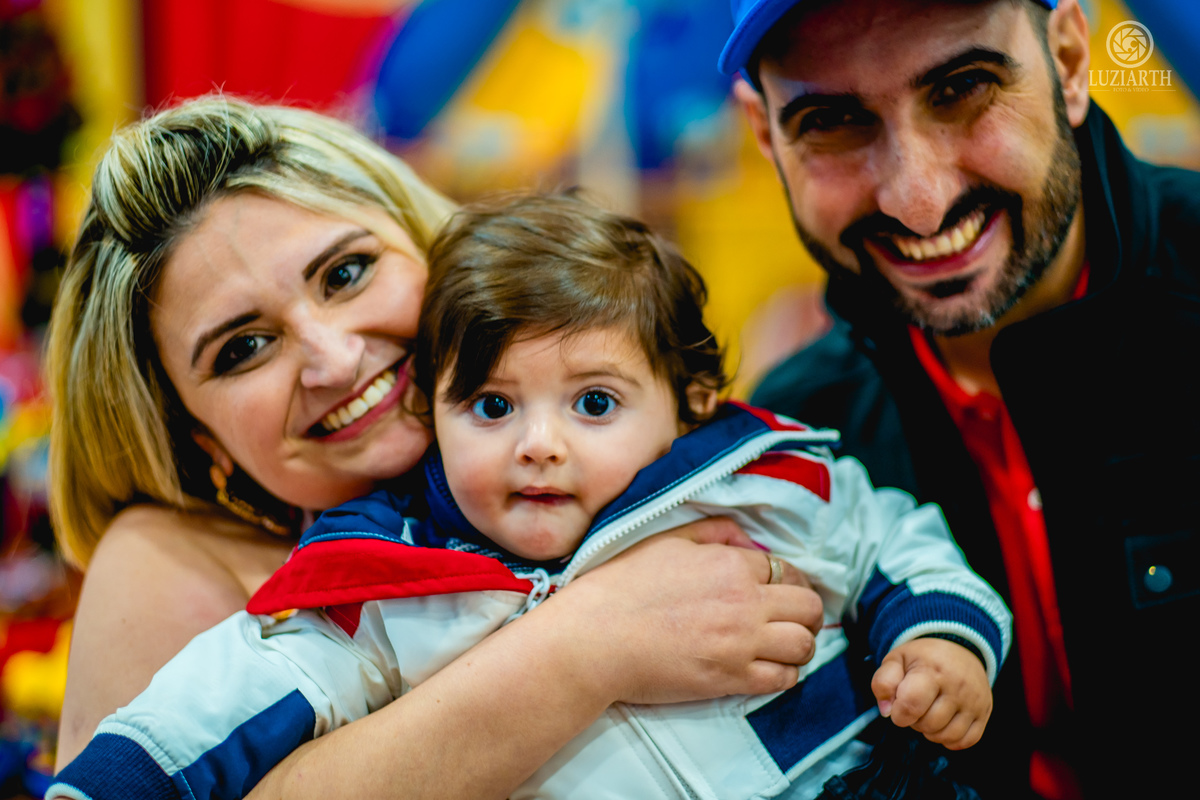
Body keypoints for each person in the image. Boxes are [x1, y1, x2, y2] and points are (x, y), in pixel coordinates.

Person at [50, 192, 1010, 800]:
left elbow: (892, 540)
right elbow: (226, 698)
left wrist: (940, 638)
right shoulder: (381, 582)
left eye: (594, 404)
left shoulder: (760, 477)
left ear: (687, 401)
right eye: (492, 405)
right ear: (435, 399)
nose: (539, 445)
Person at [720, 0, 1200, 797]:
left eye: (964, 88)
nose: (919, 200)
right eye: (832, 121)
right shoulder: (798, 444)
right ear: (766, 135)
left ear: (1069, 62)